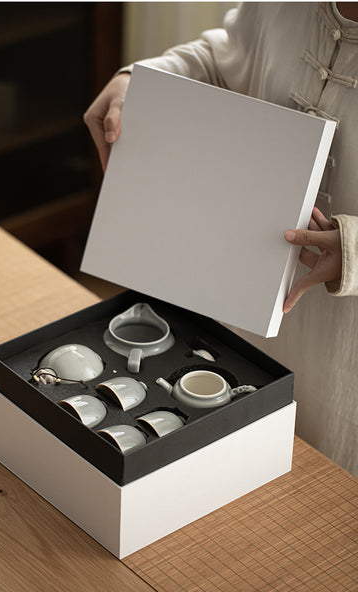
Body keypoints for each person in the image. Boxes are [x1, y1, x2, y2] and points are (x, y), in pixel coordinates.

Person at [84, 3, 358, 475]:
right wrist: (138, 82)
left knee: (322, 491)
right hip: (235, 297)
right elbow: (224, 60)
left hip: (343, 352)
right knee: (223, 459)